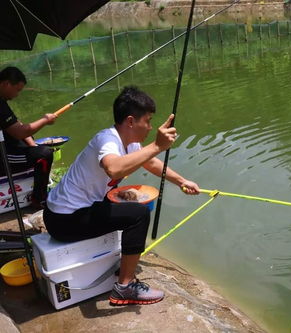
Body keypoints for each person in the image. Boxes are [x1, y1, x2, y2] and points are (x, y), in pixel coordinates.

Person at [43, 86, 200, 305]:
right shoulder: (106, 140)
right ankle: (124, 287)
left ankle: (121, 266)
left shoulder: (129, 142)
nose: (150, 127)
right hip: (64, 220)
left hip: (66, 212)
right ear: (130, 121)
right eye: (148, 120)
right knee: (139, 214)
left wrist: (182, 181)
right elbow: (114, 169)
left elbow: (151, 162)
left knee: (129, 199)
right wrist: (157, 145)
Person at [0, 67, 57, 209]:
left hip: (9, 145)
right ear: (6, 84)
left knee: (34, 142)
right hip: (3, 157)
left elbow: (18, 125)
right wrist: (45, 120)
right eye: (17, 89)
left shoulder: (2, 100)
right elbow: (20, 132)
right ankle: (38, 199)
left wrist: (33, 146)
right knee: (45, 155)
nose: (17, 94)